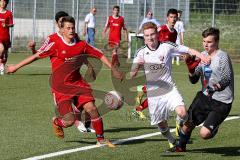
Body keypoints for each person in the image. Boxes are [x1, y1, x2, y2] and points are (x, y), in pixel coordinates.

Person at [7, 16, 123, 147]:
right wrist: (15, 67)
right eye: (68, 28)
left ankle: (100, 139)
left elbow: (99, 54)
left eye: (73, 28)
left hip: (78, 83)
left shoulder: (81, 44)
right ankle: (57, 122)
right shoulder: (55, 44)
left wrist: (113, 69)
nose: (71, 30)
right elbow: (36, 56)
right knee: (69, 121)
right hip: (60, 87)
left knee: (92, 109)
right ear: (61, 30)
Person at [130, 22, 210, 152]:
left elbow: (188, 50)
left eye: (152, 34)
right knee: (161, 124)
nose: (150, 38)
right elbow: (132, 73)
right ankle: (172, 141)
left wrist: (202, 56)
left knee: (183, 113)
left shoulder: (167, 46)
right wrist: (134, 69)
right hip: (154, 95)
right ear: (143, 37)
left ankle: (180, 124)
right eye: (147, 35)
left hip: (169, 89)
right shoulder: (141, 52)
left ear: (157, 34)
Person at [28, 11, 96, 133]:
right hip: (60, 82)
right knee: (69, 112)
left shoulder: (73, 37)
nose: (65, 26)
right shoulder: (52, 39)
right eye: (61, 22)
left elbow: (81, 52)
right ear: (58, 23)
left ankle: (85, 123)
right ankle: (70, 122)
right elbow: (38, 54)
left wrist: (90, 66)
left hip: (75, 79)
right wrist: (33, 49)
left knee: (86, 103)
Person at [171, 27, 234, 152]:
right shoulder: (202, 56)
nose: (206, 44)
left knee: (204, 134)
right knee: (187, 125)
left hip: (222, 101)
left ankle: (213, 129)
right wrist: (190, 69)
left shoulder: (223, 57)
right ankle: (180, 147)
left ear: (216, 42)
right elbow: (194, 80)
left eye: (209, 42)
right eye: (204, 41)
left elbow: (226, 78)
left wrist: (214, 88)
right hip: (204, 97)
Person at [132, 8, 178, 119]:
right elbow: (149, 39)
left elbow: (170, 47)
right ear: (167, 18)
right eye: (171, 17)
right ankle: (140, 103)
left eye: (175, 17)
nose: (173, 19)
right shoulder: (161, 29)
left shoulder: (175, 33)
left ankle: (140, 95)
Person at [0, 0, 14, 75]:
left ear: (6, 3)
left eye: (4, 2)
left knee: (5, 56)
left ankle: (2, 66)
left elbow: (12, 24)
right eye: (1, 1)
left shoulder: (9, 13)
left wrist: (7, 25)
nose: (3, 3)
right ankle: (1, 65)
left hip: (6, 37)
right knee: (1, 49)